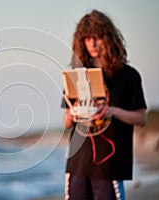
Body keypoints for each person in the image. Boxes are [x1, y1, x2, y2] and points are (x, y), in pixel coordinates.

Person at [62, 9, 147, 200]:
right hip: (78, 164)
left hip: (110, 165)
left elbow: (142, 118)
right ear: (81, 41)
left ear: (109, 38)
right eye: (87, 38)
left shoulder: (128, 76)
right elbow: (66, 122)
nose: (92, 43)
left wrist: (111, 111)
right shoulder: (77, 74)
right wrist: (72, 114)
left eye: (98, 37)